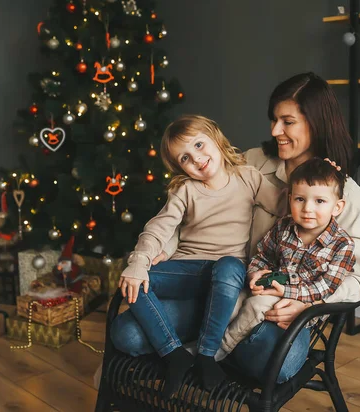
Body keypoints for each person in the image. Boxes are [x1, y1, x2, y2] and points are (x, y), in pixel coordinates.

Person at [110, 72, 360, 385]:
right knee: (125, 334)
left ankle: (205, 351)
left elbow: (357, 278)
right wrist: (161, 251)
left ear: (315, 123)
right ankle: (204, 352)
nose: (275, 130)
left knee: (278, 360)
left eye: (287, 121)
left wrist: (310, 304)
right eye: (274, 119)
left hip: (273, 307)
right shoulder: (252, 162)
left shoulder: (343, 192)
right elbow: (187, 213)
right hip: (217, 287)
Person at [116, 114, 284, 398]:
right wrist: (138, 263)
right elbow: (158, 228)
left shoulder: (248, 177)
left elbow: (285, 204)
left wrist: (317, 183)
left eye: (198, 145)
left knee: (230, 266)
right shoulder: (185, 190)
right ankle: (174, 355)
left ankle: (207, 355)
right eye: (184, 158)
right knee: (132, 280)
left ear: (215, 137)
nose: (196, 158)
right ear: (178, 167)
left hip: (228, 276)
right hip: (188, 270)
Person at [220, 157, 356, 355]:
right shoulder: (284, 226)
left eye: (319, 201)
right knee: (231, 302)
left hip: (299, 302)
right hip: (270, 286)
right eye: (300, 199)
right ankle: (206, 345)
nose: (307, 208)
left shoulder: (342, 245)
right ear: (290, 198)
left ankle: (221, 350)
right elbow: (263, 255)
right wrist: (255, 273)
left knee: (255, 306)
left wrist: (284, 291)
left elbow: (325, 287)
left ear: (337, 207)